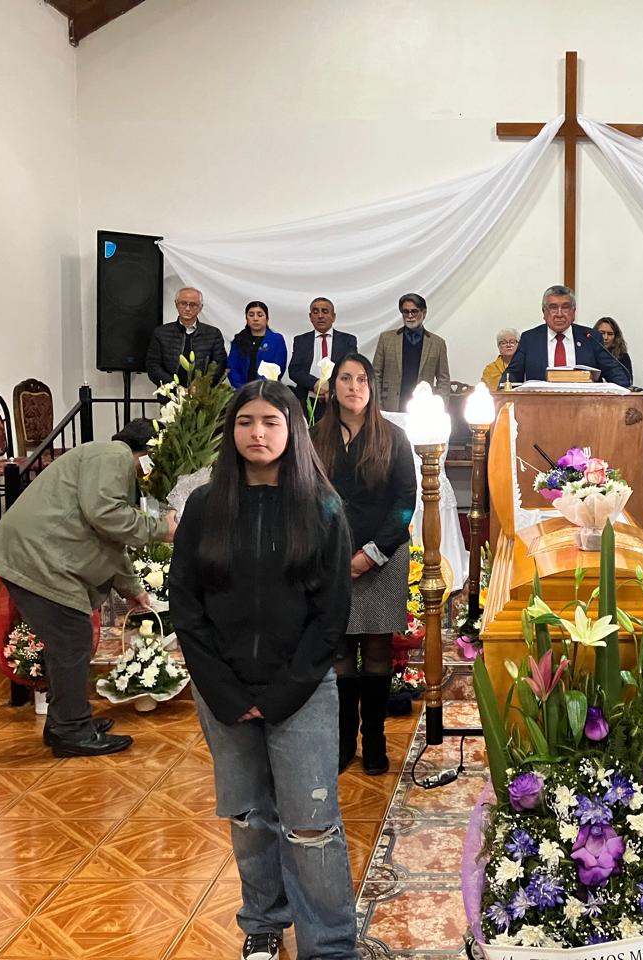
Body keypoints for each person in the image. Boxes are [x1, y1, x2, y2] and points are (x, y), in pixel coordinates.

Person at [169, 380, 357, 960]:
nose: (257, 433)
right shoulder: (205, 506)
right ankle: (264, 922)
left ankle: (329, 944)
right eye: (246, 421)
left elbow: (331, 616)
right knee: (250, 816)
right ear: (232, 431)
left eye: (271, 422)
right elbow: (186, 605)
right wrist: (226, 691)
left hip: (301, 691)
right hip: (223, 692)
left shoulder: (322, 508)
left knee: (311, 823)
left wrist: (280, 694)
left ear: (292, 430)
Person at [0, 419, 176, 756]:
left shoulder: (107, 462)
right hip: (40, 559)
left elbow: (110, 537)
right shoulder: (113, 454)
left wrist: (131, 588)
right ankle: (72, 730)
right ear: (148, 453)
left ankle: (65, 722)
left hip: (42, 558)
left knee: (68, 642)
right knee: (72, 640)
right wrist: (161, 528)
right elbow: (106, 514)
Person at [312, 353, 417, 776]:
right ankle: (343, 742)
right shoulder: (313, 437)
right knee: (339, 649)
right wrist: (337, 554)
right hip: (331, 557)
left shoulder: (393, 437)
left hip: (384, 557)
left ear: (371, 388)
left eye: (361, 379)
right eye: (345, 378)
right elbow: (307, 497)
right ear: (332, 386)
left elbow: (405, 502)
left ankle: (374, 740)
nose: (353, 386)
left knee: (376, 649)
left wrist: (370, 554)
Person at [501, 286, 631, 387]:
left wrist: (625, 393)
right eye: (553, 308)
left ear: (573, 312)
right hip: (540, 407)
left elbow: (615, 373)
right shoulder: (530, 339)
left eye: (565, 308)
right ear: (544, 312)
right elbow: (512, 375)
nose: (559, 314)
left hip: (585, 407)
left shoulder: (590, 337)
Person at [371, 293, 451, 411]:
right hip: (389, 406)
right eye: (405, 312)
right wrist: (377, 405)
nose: (410, 316)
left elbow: (443, 380)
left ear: (424, 313)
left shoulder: (437, 344)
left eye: (414, 311)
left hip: (422, 408)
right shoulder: (386, 339)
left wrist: (440, 410)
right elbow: (375, 374)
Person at [146, 287, 228, 386]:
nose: (188, 308)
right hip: (169, 392)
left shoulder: (213, 334)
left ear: (200, 307)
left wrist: (201, 386)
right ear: (176, 304)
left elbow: (220, 365)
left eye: (193, 304)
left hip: (203, 393)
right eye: (183, 303)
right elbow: (153, 365)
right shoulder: (161, 333)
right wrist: (173, 385)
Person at [288, 297, 358, 413]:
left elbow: (350, 369)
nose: (320, 316)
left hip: (337, 399)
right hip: (307, 399)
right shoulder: (301, 340)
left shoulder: (348, 340)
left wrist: (329, 385)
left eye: (325, 311)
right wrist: (316, 384)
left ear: (333, 316)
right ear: (310, 317)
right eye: (315, 312)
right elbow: (294, 370)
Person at [227, 300, 289, 390]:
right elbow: (232, 368)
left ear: (267, 318)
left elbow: (278, 368)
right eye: (251, 315)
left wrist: (261, 389)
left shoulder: (276, 339)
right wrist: (243, 388)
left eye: (260, 315)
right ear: (246, 318)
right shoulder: (239, 339)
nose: (255, 319)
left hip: (268, 390)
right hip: (241, 391)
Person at [594, 317, 633, 385]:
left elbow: (628, 382)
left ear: (616, 337)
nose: (605, 337)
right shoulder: (588, 355)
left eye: (610, 334)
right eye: (602, 333)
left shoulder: (622, 357)